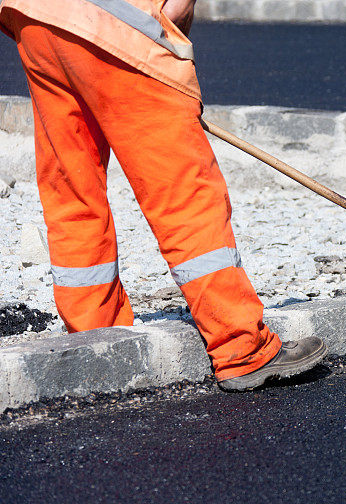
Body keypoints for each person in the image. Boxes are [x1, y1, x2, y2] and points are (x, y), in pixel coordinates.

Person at [0, 0, 327, 391]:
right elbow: (172, 10)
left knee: (73, 190)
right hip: (121, 25)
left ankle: (98, 346)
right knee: (183, 194)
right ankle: (242, 348)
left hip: (37, 19)